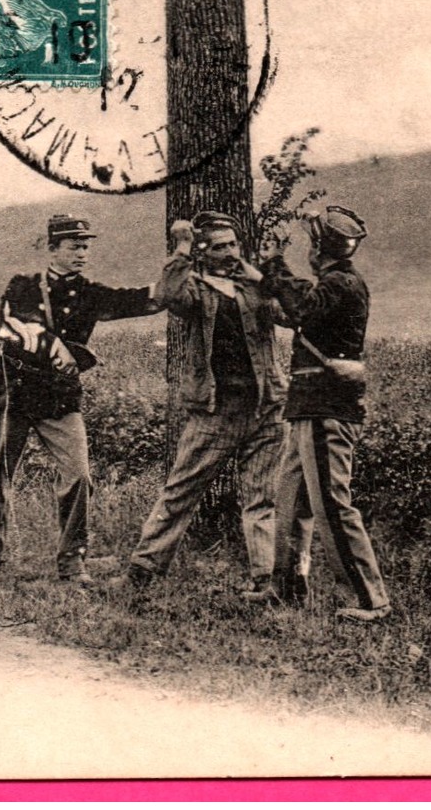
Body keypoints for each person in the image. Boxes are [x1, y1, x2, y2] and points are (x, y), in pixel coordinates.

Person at [0, 214, 162, 584]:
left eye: (86, 246)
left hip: (59, 398)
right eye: (74, 246)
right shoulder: (23, 285)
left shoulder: (91, 293)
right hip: (13, 392)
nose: (82, 253)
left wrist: (181, 266)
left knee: (79, 476)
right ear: (52, 249)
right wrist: (54, 344)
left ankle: (72, 562)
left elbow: (145, 300)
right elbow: (9, 324)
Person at [111, 212, 292, 601]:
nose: (229, 253)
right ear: (202, 252)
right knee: (180, 492)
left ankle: (265, 582)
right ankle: (142, 571)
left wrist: (264, 277)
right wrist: (179, 250)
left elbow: (291, 314)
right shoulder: (194, 287)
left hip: (267, 408)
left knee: (262, 498)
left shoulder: (254, 285)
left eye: (234, 245)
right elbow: (167, 296)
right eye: (219, 247)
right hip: (216, 412)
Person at [257, 205, 391, 622]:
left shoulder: (339, 284)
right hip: (310, 405)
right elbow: (298, 310)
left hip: (324, 407)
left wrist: (274, 263)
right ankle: (287, 588)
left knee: (331, 504)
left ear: (319, 248)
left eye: (311, 246)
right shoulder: (336, 284)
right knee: (293, 500)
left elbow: (301, 308)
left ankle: (370, 600)